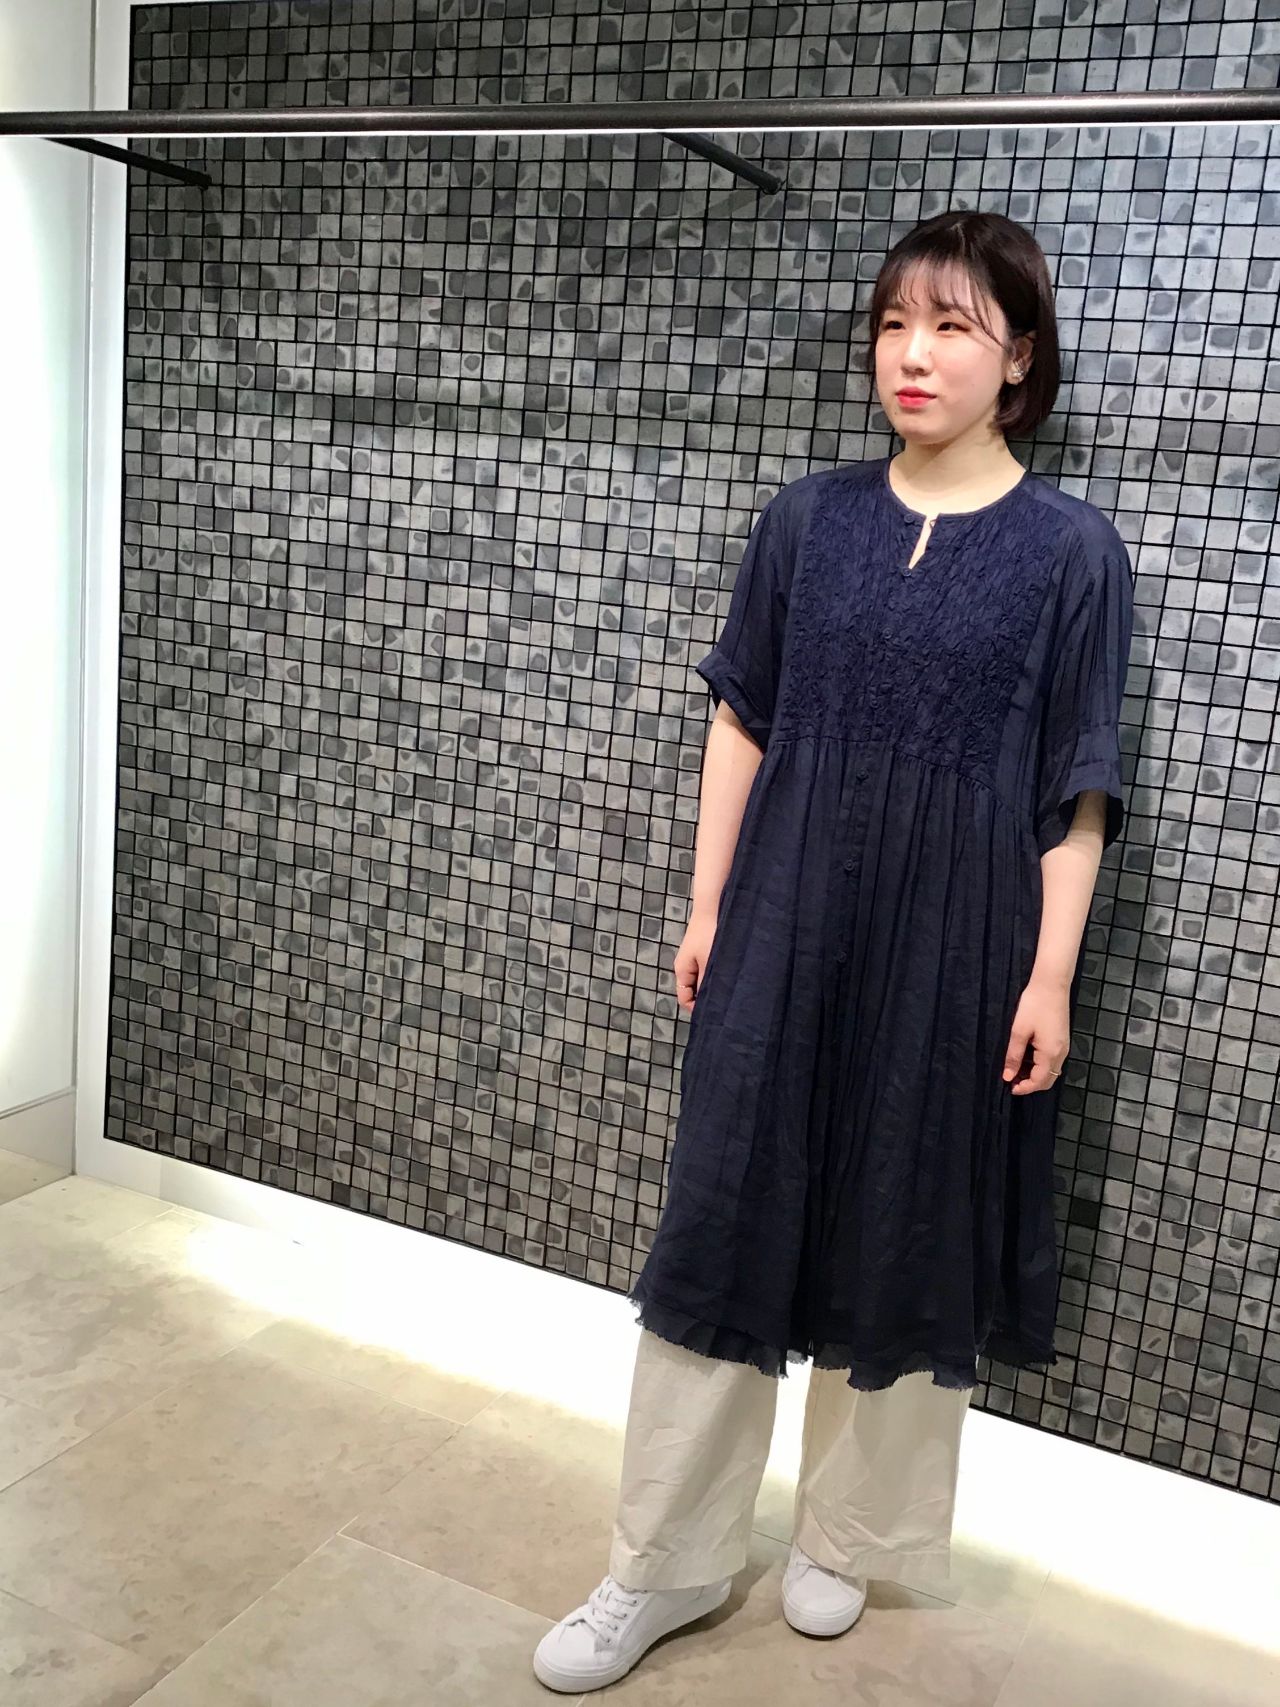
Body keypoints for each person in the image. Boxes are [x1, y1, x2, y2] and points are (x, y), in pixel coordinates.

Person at [533, 209, 1135, 1694]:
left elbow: (1076, 790)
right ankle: (661, 1563)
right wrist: (708, 907)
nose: (912, 355)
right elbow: (741, 720)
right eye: (892, 324)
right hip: (787, 916)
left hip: (961, 946)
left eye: (951, 327)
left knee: (905, 1225)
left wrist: (1050, 976)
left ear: (1019, 358)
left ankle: (845, 1539)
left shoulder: (1074, 554)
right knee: (722, 1221)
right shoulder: (805, 520)